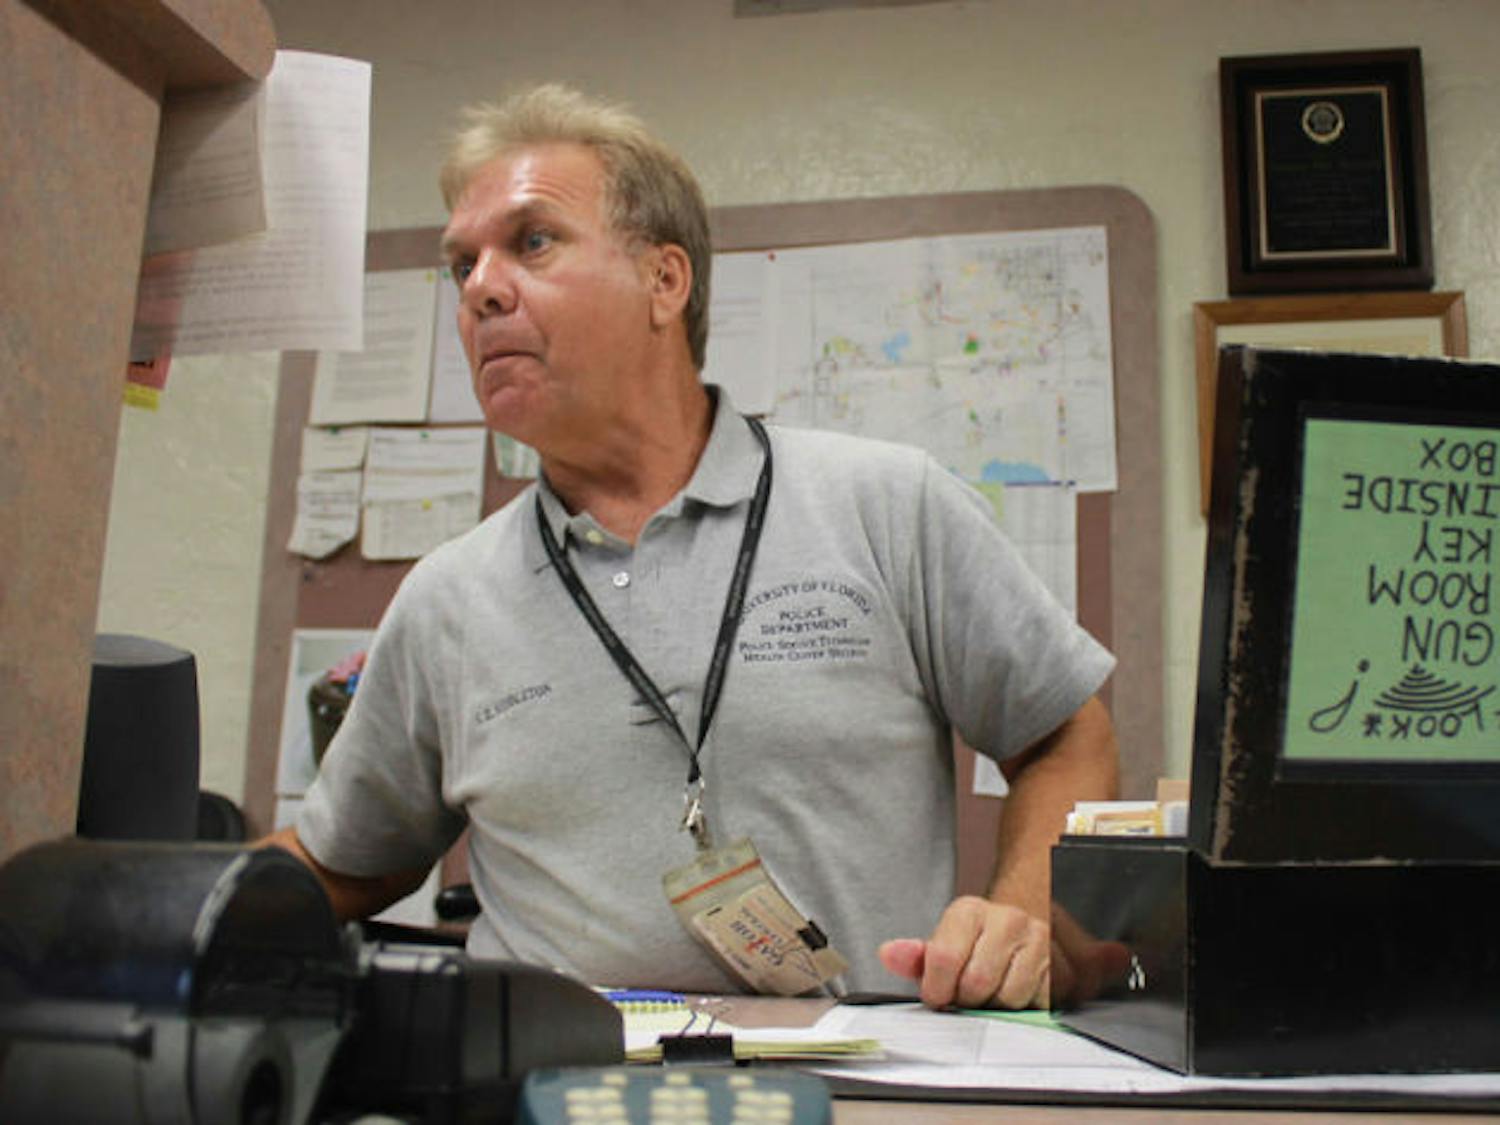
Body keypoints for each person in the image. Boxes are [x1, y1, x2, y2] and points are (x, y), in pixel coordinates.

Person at [266, 83, 1119, 1010]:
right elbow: (340, 860)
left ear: (664, 282)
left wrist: (1022, 913)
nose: (480, 289)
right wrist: (137, 908)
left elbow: (1067, 733)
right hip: (554, 1087)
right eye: (460, 264)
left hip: (865, 1083)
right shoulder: (446, 599)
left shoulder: (884, 504)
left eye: (532, 242)